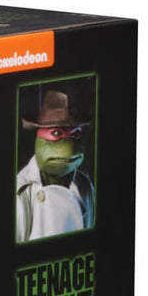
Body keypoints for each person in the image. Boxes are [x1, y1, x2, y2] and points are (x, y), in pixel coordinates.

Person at [16, 90, 94, 242]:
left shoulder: (85, 185)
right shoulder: (21, 192)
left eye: (75, 133)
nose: (69, 145)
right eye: (57, 133)